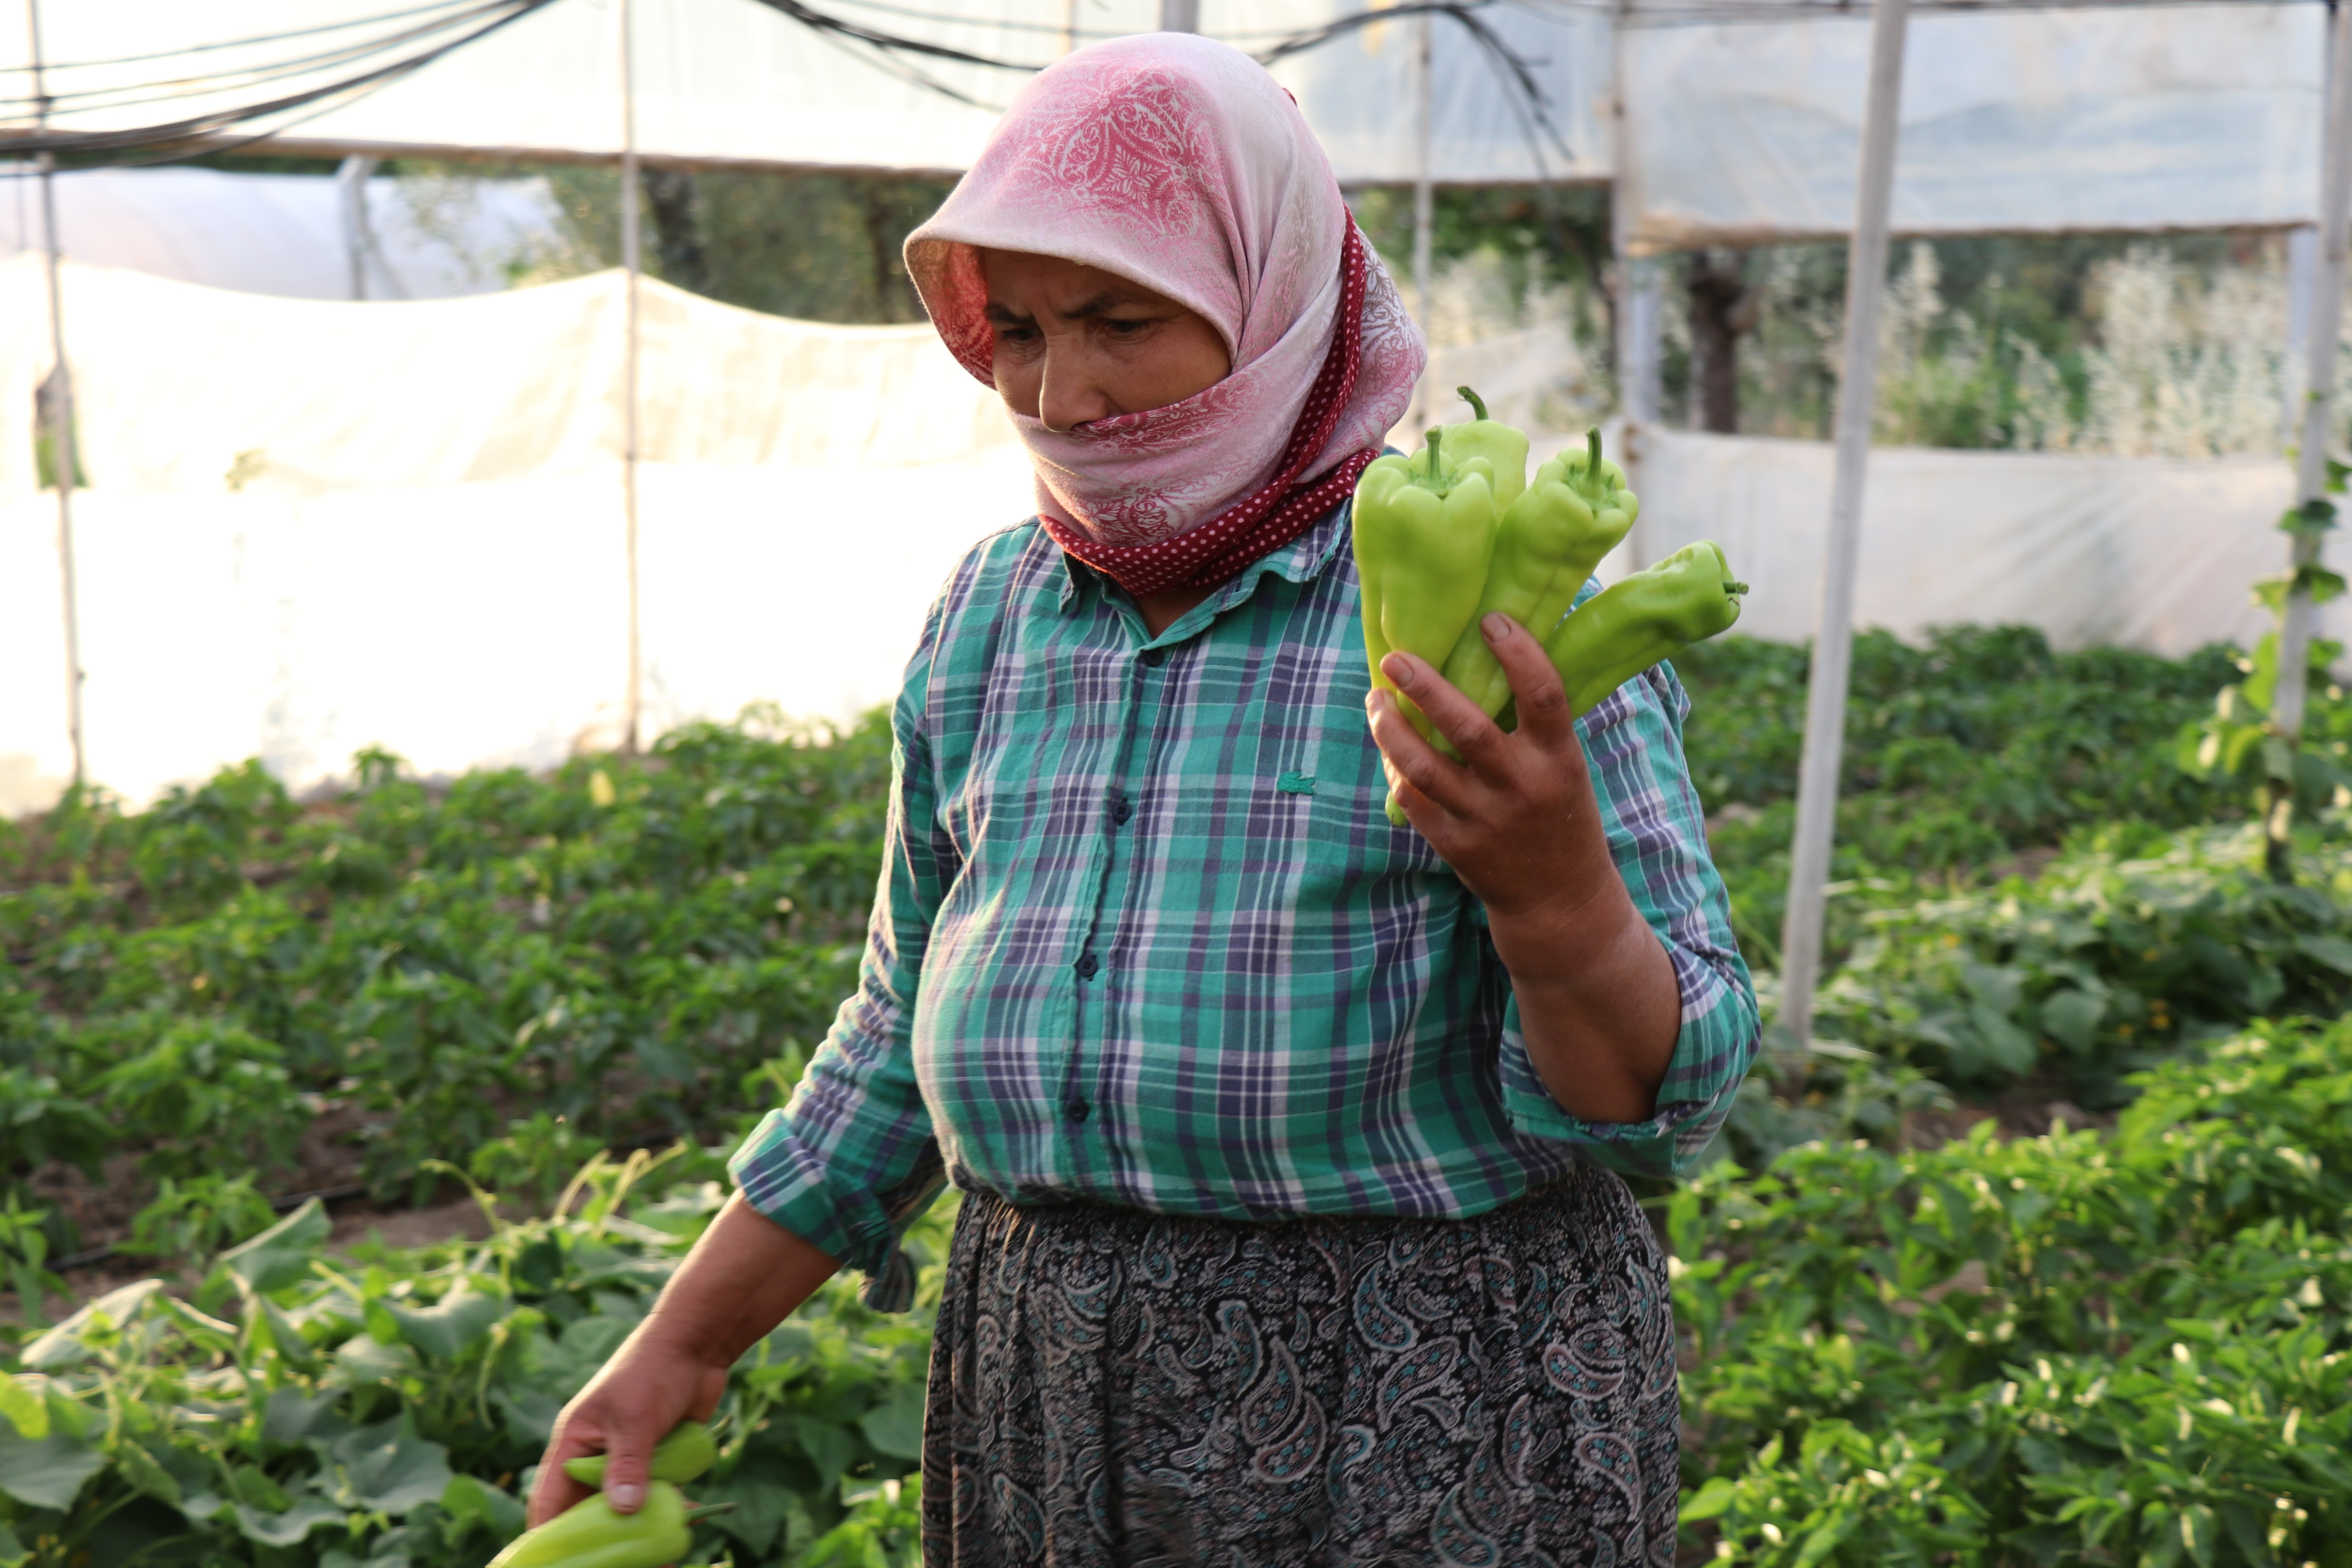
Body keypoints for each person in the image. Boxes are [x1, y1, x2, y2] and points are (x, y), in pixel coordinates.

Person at [528, 32, 1756, 1568]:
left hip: (1430, 1418)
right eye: (1020, 329)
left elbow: (1660, 1109)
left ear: (1273, 300)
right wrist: (683, 1345)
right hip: (1051, 1412)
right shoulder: (993, 615)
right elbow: (891, 1048)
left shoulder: (1488, 622)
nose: (1064, 387)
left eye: (1122, 320)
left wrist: (1550, 888)